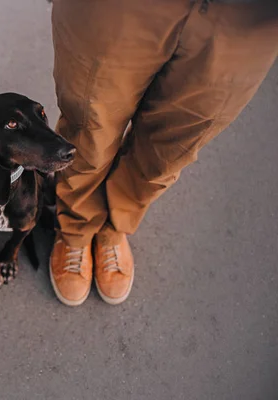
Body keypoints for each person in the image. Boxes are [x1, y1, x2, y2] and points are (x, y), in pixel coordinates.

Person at [49, 0, 278, 306]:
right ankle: (76, 227)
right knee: (88, 127)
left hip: (247, 23)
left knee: (170, 150)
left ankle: (115, 226)